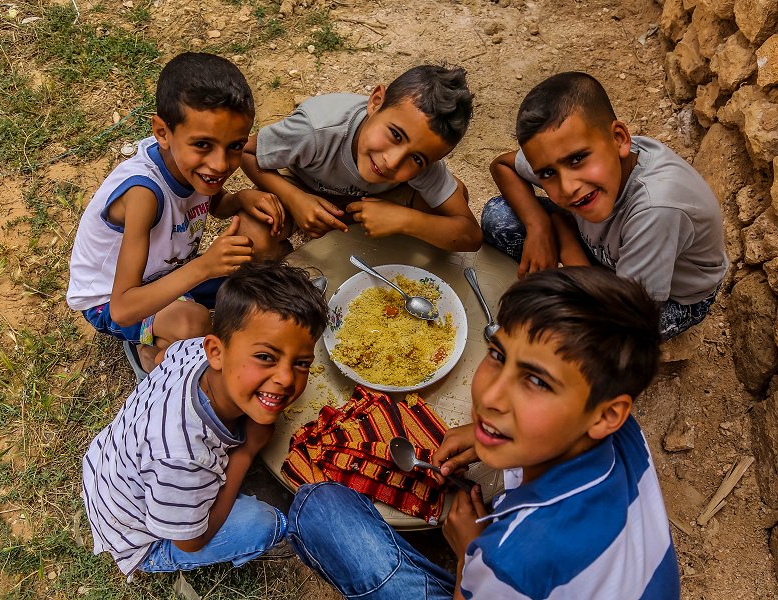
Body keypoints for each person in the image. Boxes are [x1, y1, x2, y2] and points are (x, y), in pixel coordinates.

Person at [287, 267, 681, 599]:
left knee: (319, 511)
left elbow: (511, 566)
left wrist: (469, 554)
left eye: (538, 382)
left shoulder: (509, 561)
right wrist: (482, 434)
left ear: (606, 414)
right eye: (497, 355)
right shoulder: (626, 434)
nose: (490, 396)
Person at [81, 261, 328, 579]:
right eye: (266, 357)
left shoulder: (192, 350)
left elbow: (163, 359)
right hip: (143, 537)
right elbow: (190, 541)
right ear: (216, 351)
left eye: (302, 362)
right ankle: (152, 562)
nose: (284, 378)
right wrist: (246, 452)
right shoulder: (183, 455)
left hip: (109, 463)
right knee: (264, 523)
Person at [67, 52, 287, 375]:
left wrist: (241, 199)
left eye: (235, 146)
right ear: (162, 132)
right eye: (203, 145)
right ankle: (151, 353)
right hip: (112, 300)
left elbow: (214, 203)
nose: (220, 164)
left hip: (171, 276)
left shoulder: (191, 163)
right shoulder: (144, 194)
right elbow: (123, 308)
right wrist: (205, 267)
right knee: (192, 321)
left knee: (263, 240)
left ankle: (174, 327)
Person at [484, 71, 727, 340]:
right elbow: (502, 165)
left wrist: (565, 239)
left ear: (620, 138)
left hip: (669, 299)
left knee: (585, 335)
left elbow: (621, 314)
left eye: (577, 159)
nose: (567, 188)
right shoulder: (575, 158)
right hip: (612, 260)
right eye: (548, 174)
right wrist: (538, 225)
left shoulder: (657, 209)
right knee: (498, 216)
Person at [240, 65, 483, 252]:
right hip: (306, 184)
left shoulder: (426, 164)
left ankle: (399, 257)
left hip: (378, 201)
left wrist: (405, 220)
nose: (393, 161)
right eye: (396, 135)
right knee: (253, 234)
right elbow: (246, 151)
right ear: (376, 102)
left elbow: (470, 234)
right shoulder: (317, 129)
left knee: (452, 196)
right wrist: (295, 199)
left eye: (417, 159)